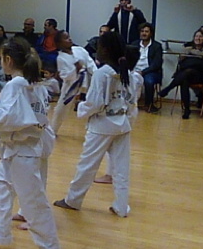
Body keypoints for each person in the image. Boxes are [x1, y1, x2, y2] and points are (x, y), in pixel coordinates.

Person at [0, 36, 60, 249]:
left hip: (24, 150)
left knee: (32, 200)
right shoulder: (34, 83)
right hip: (20, 147)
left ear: (7, 60)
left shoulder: (16, 85)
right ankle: (0, 233)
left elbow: (4, 119)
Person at [54, 32, 143, 218]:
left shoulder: (102, 74)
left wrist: (81, 109)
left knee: (87, 165)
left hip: (102, 126)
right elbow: (130, 101)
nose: (97, 51)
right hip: (122, 124)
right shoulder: (126, 71)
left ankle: (73, 200)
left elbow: (95, 103)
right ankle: (121, 206)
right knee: (121, 168)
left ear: (107, 50)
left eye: (100, 47)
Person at [158, 29, 203, 119]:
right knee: (184, 81)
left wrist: (190, 52)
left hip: (200, 76)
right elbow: (181, 60)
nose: (198, 38)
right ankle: (187, 110)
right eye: (196, 36)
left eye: (200, 36)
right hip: (187, 75)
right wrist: (186, 54)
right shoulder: (188, 48)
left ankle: (168, 89)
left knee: (188, 72)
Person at [50, 30, 95, 134]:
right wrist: (76, 70)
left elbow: (90, 63)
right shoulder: (60, 58)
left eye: (69, 37)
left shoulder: (79, 50)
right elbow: (64, 76)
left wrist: (96, 74)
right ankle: (53, 130)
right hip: (71, 85)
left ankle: (92, 129)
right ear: (59, 44)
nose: (69, 39)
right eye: (66, 38)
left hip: (87, 80)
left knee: (94, 104)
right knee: (61, 108)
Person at [131, 22, 163, 113]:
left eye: (146, 31)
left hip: (150, 71)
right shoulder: (134, 44)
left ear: (151, 33)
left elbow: (156, 64)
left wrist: (143, 72)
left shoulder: (157, 46)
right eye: (142, 31)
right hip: (134, 70)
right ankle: (129, 103)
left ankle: (149, 104)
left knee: (149, 81)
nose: (144, 33)